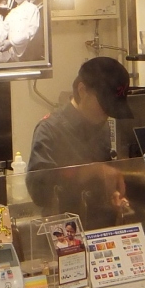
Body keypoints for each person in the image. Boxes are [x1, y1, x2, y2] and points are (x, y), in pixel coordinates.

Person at [27, 56, 133, 224]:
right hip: (65, 230)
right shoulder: (50, 129)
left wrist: (112, 194)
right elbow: (38, 191)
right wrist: (91, 170)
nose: (107, 113)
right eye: (104, 105)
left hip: (101, 230)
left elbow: (102, 178)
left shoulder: (102, 125)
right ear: (82, 90)